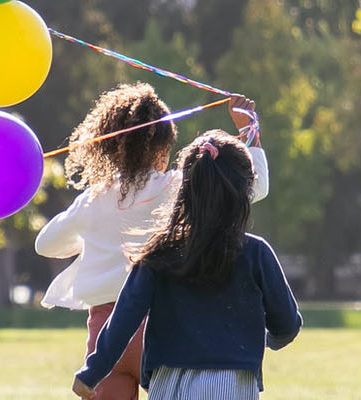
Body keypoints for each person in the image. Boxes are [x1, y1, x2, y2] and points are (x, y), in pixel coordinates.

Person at [36, 83, 270, 400]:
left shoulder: (93, 199)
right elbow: (255, 188)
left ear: (109, 146)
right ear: (164, 143)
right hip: (162, 325)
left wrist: (96, 233)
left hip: (105, 332)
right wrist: (249, 131)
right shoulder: (178, 188)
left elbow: (46, 244)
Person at [72, 133, 301, 400]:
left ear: (185, 188)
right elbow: (287, 324)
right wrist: (265, 338)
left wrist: (92, 371)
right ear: (245, 192)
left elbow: (125, 316)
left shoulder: (159, 252)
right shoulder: (255, 252)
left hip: (167, 382)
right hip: (232, 382)